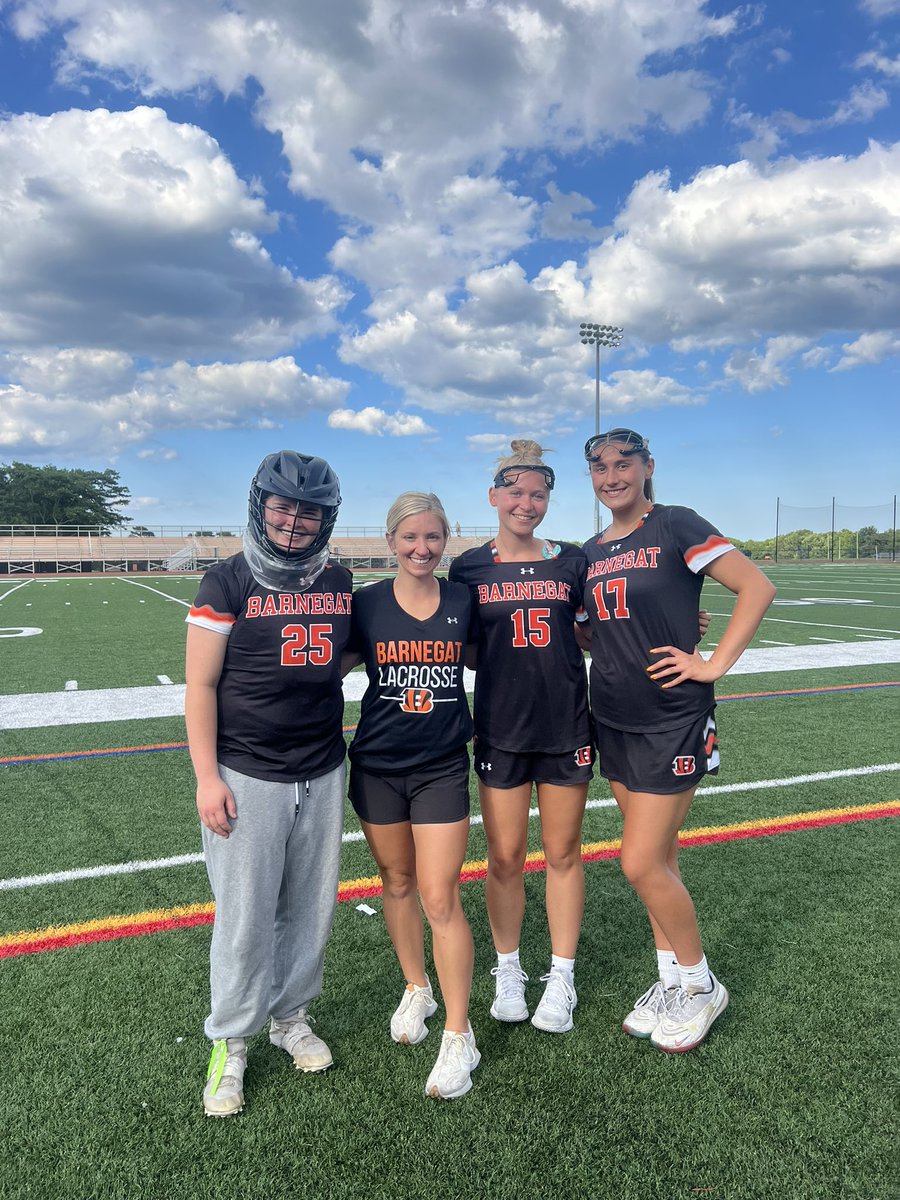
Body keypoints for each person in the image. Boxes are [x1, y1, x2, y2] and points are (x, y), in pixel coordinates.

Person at [580, 428, 775, 1052]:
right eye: (601, 467)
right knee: (659, 861)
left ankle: (699, 985)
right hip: (612, 715)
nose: (612, 476)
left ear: (647, 467)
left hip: (672, 717)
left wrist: (711, 662)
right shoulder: (590, 549)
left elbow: (757, 587)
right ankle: (669, 981)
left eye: (624, 464)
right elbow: (595, 631)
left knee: (637, 861)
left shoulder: (676, 524)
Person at [185, 450, 352, 1117]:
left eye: (307, 510)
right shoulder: (227, 582)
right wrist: (206, 777)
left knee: (309, 907)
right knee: (246, 914)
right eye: (283, 505)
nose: (293, 520)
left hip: (321, 767)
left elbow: (372, 644)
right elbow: (199, 685)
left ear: (326, 518)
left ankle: (290, 1018)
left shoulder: (337, 579)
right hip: (246, 769)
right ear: (261, 505)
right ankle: (231, 1041)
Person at [448, 441, 593, 1035]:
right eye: (515, 492)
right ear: (493, 497)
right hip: (502, 727)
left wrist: (671, 627)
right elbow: (462, 642)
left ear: (548, 500)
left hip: (565, 722)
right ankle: (508, 970)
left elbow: (590, 632)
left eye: (537, 494)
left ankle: (562, 974)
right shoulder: (468, 567)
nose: (526, 503)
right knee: (505, 856)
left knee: (561, 853)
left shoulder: (572, 560)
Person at [343, 492, 479, 1099]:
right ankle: (415, 988)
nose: (422, 548)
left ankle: (458, 1034)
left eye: (433, 537)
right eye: (410, 538)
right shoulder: (365, 603)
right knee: (395, 882)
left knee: (439, 893)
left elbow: (542, 638)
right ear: (390, 540)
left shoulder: (463, 599)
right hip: (376, 764)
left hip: (442, 765)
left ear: (445, 538)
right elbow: (317, 663)